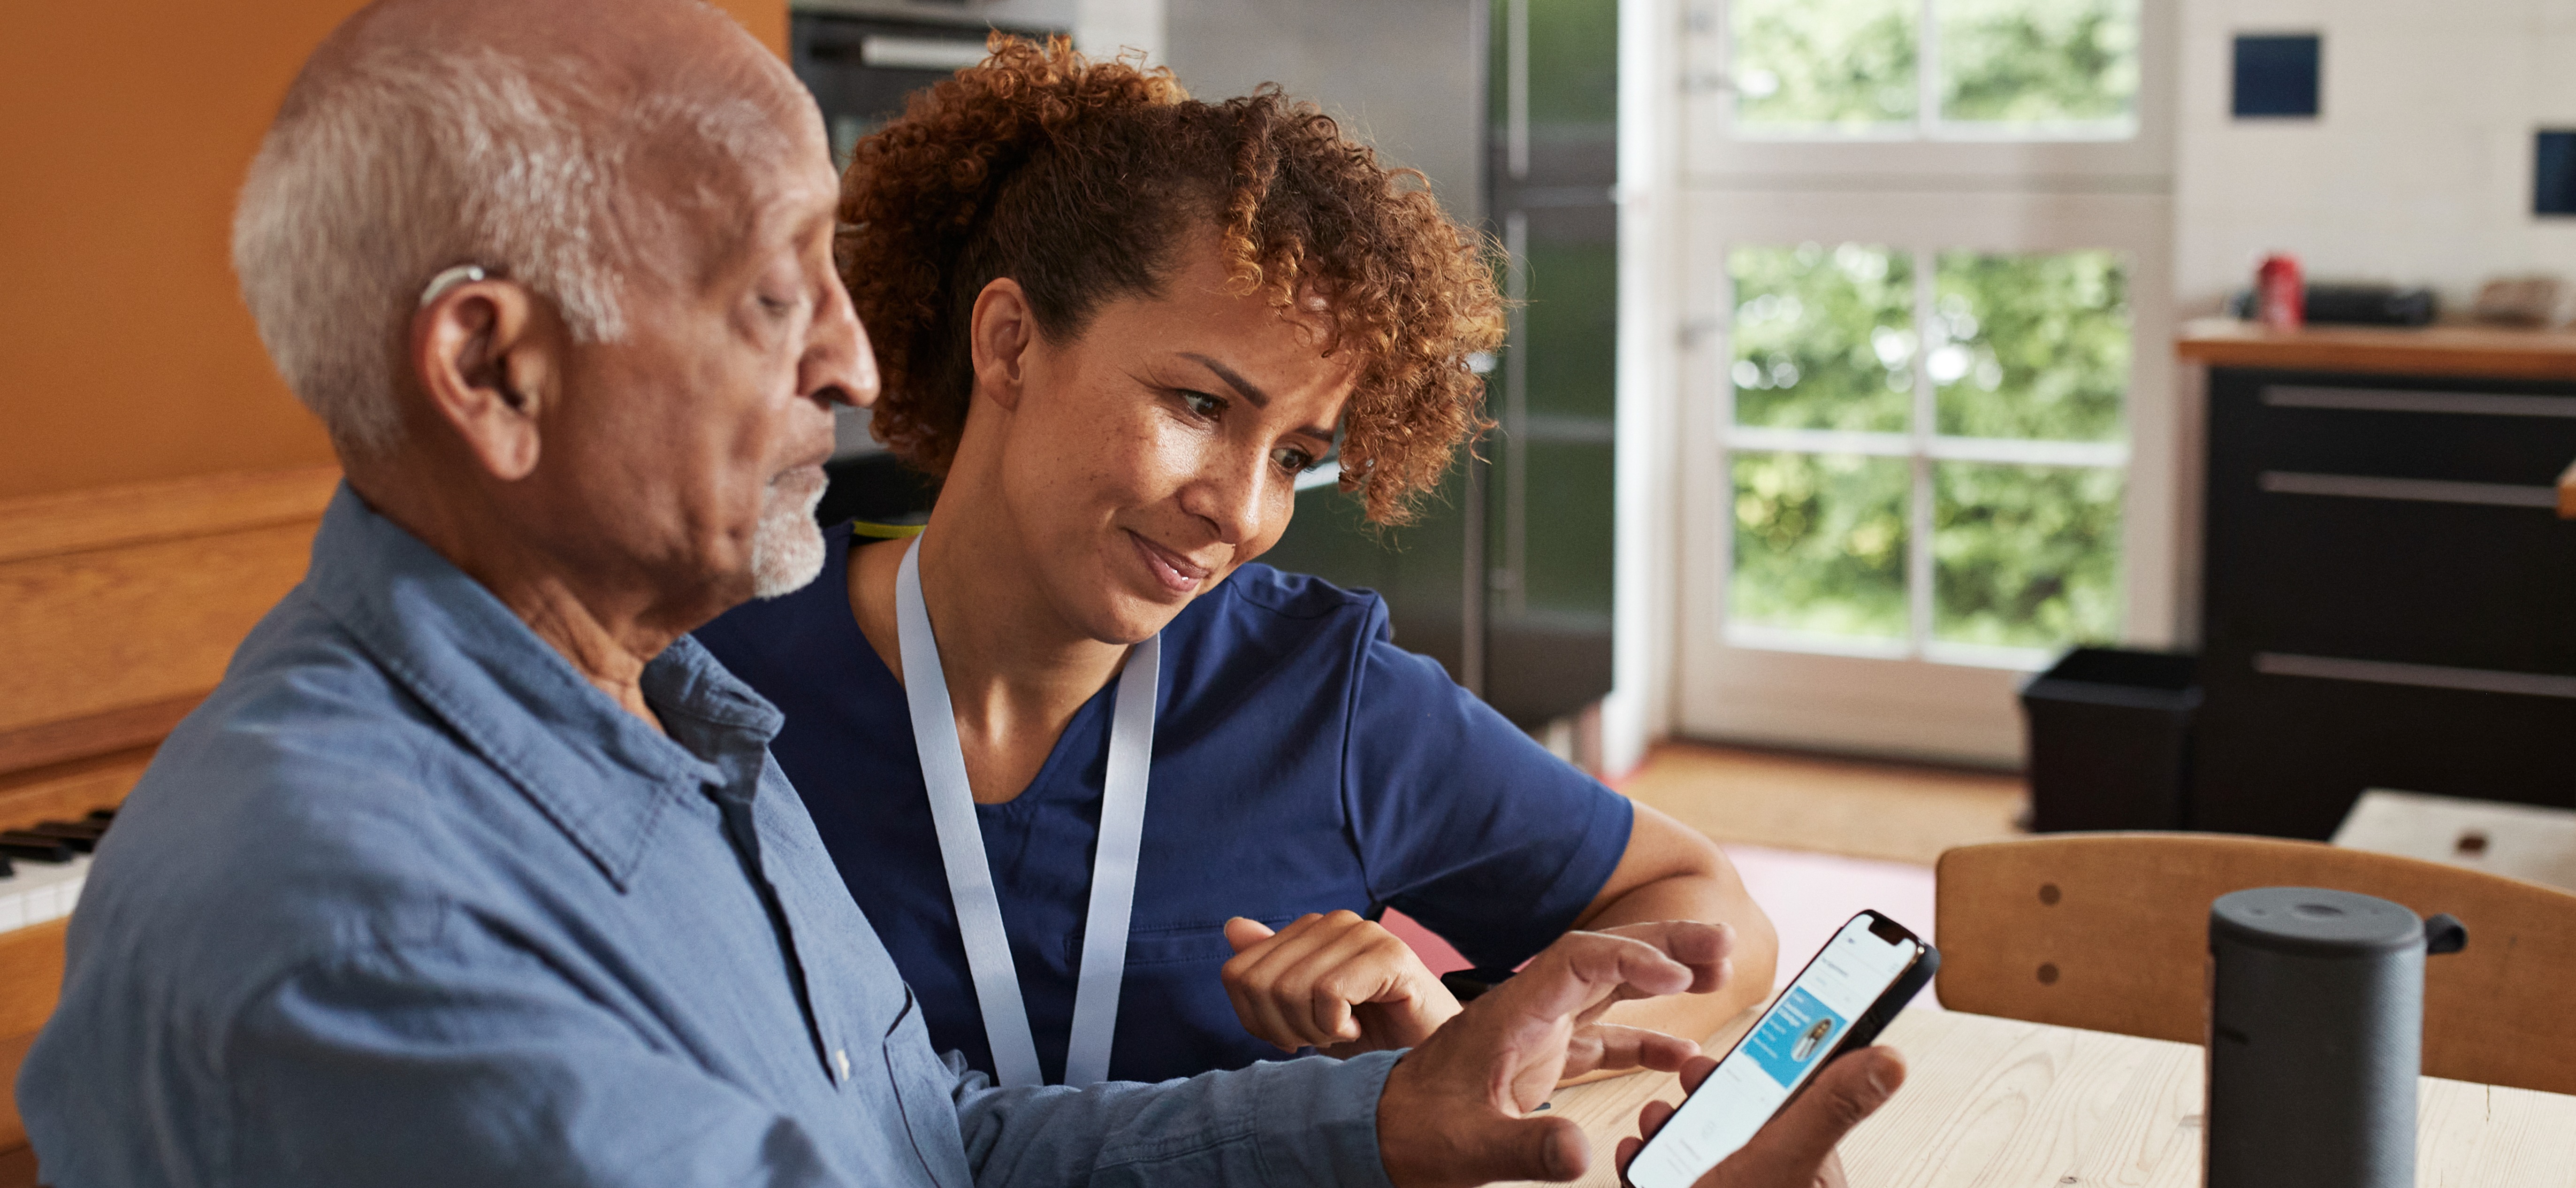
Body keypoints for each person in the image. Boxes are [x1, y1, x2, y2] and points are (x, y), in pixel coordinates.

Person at [14, 3, 1904, 1188]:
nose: (849, 367)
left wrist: (1392, 1114)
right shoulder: (379, 929)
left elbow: (947, 1152)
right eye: (773, 294)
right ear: (493, 371)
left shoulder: (669, 729)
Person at [691, 37, 1777, 1089]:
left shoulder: (1319, 694)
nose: (1241, 511)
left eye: (1296, 458)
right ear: (1010, 342)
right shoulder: (702, 664)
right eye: (1198, 404)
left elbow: (1709, 908)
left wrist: (1495, 1039)